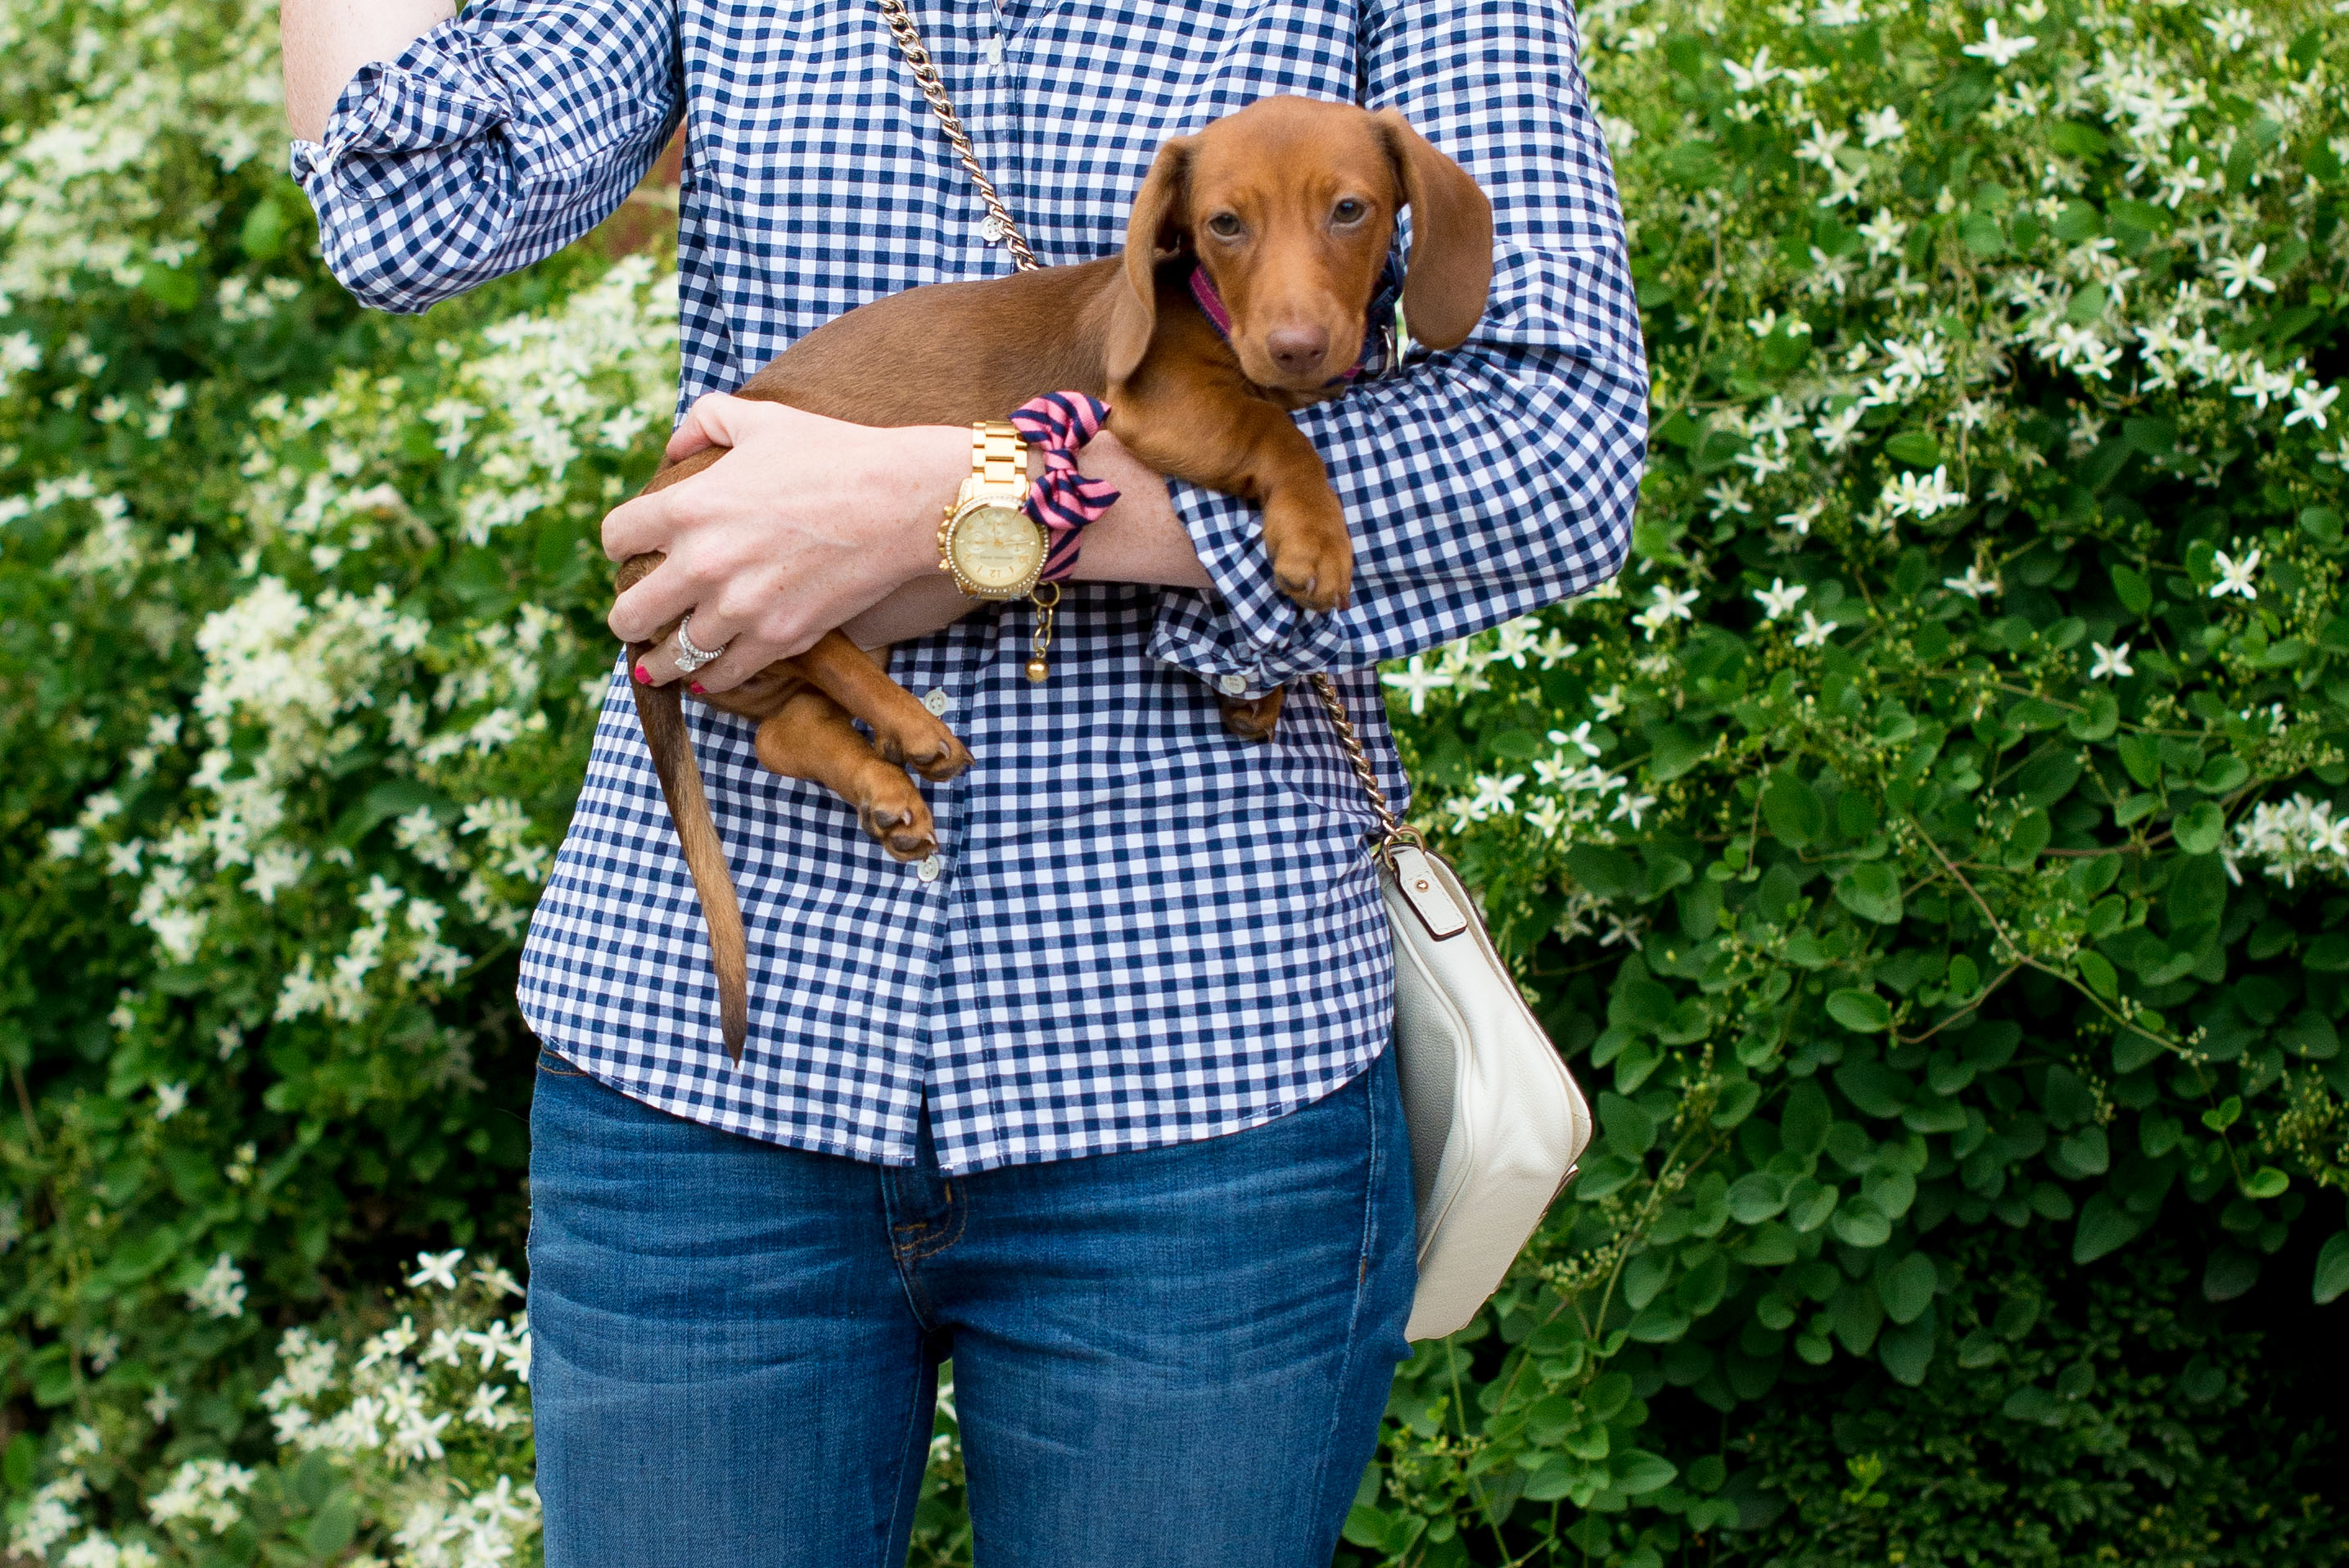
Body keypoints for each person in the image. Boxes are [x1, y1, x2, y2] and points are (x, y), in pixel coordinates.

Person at [282, 1, 1645, 1561]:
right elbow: (402, 211)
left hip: (1198, 1074)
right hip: (704, 1077)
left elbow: (1555, 450)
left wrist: (967, 504)